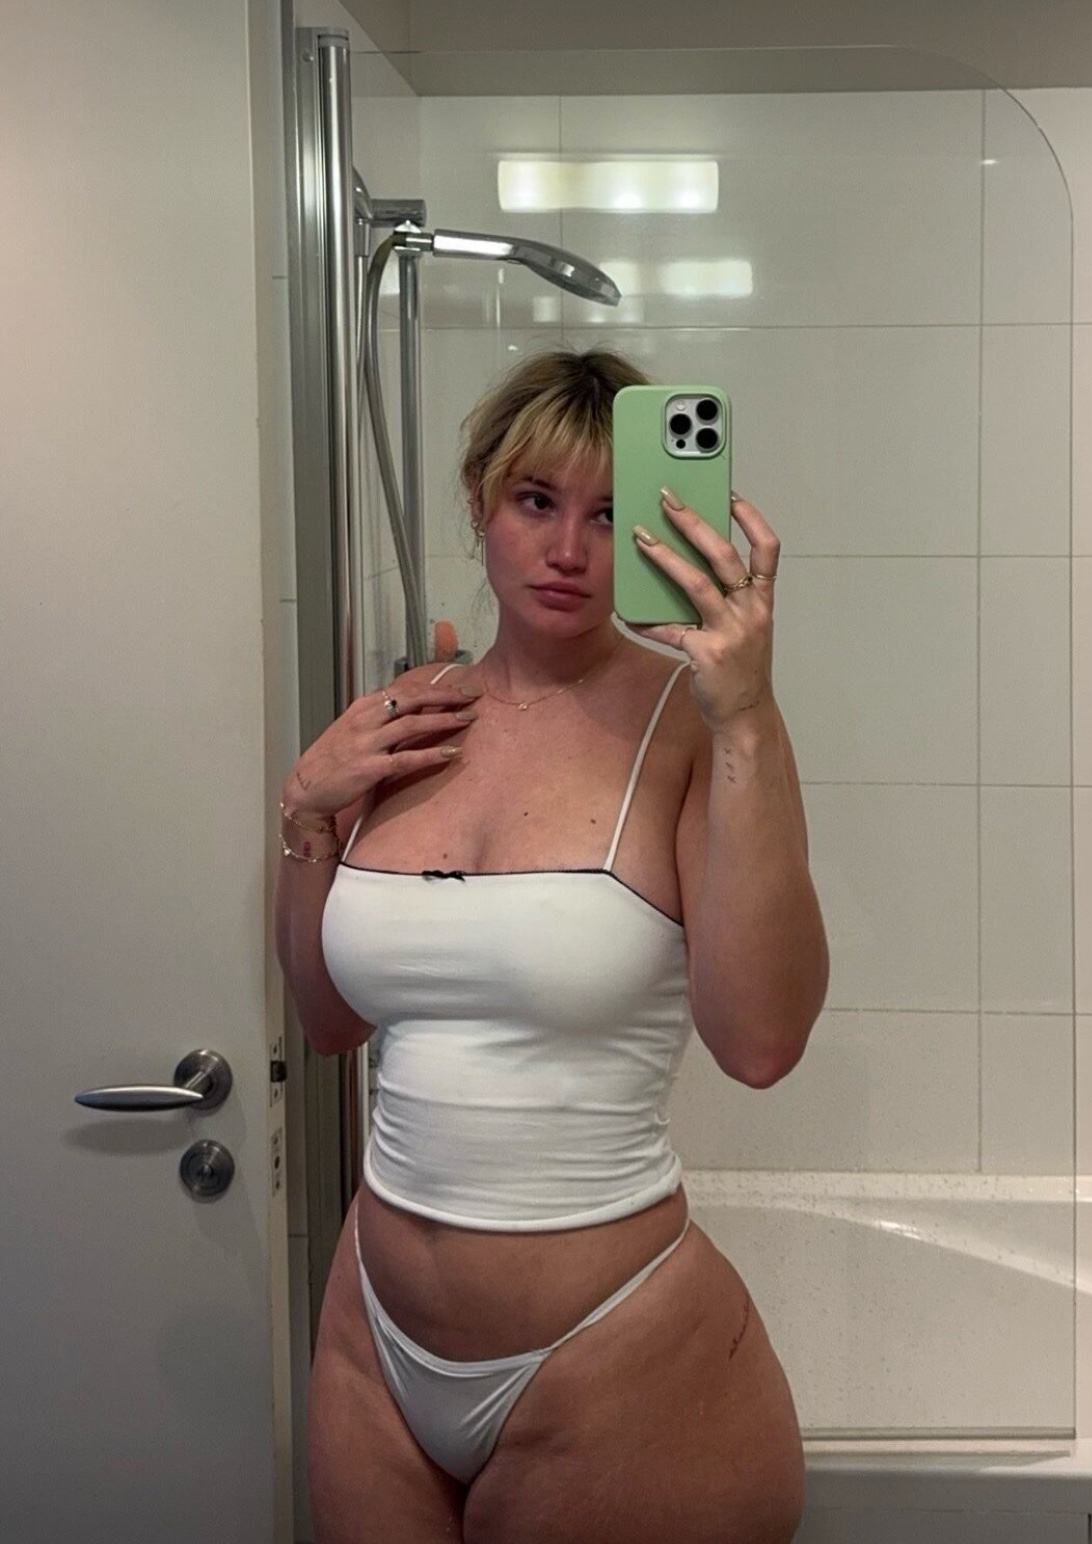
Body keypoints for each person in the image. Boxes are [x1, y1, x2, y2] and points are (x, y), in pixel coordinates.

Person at [275, 347, 829, 1544]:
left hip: (611, 1357)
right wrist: (308, 818)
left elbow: (762, 1041)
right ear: (481, 500)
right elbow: (328, 1021)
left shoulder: (694, 726)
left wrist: (749, 715)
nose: (570, 548)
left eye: (614, 514)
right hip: (373, 1341)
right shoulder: (409, 715)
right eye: (537, 501)